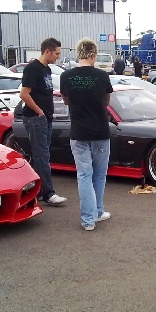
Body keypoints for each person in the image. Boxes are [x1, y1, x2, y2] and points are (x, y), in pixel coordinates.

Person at [60, 38, 114, 229]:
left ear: (78, 54)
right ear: (93, 55)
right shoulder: (102, 75)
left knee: (84, 175)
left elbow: (65, 100)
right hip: (100, 131)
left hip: (78, 131)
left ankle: (88, 220)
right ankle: (97, 212)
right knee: (99, 175)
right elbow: (106, 101)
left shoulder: (66, 76)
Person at [20, 38, 66, 206]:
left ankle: (36, 191)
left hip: (45, 118)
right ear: (47, 51)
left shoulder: (47, 69)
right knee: (42, 156)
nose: (58, 57)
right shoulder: (33, 68)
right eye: (56, 53)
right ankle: (48, 193)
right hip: (35, 118)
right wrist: (39, 112)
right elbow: (24, 94)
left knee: (41, 155)